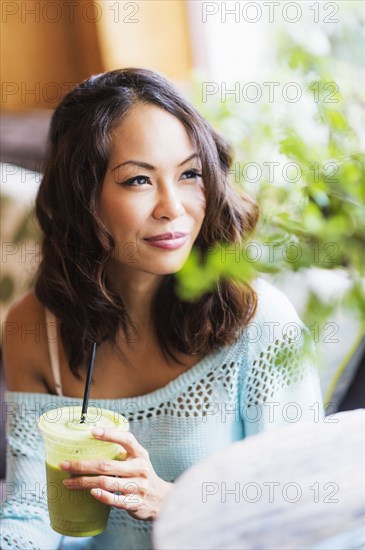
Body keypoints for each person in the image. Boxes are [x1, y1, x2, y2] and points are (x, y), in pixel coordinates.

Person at [1, 68, 324, 550]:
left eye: (190, 173)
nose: (173, 207)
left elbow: (304, 510)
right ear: (81, 196)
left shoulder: (260, 323)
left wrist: (169, 500)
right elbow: (31, 512)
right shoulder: (38, 326)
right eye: (138, 180)